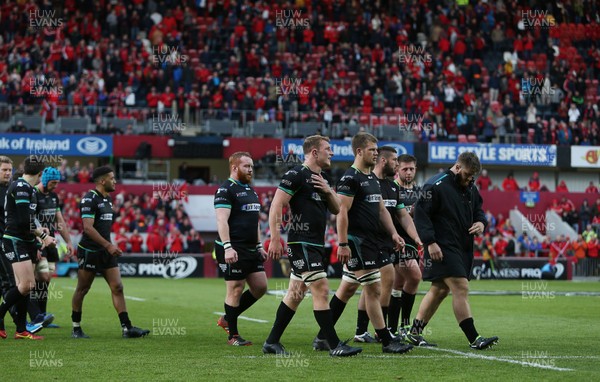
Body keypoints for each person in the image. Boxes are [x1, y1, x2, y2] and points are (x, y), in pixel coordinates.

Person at [262, 135, 362, 357]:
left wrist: (327, 190)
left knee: (295, 294)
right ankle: (333, 344)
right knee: (322, 288)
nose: (332, 153)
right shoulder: (296, 174)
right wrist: (275, 237)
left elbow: (337, 209)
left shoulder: (322, 178)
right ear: (315, 152)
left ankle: (271, 342)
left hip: (316, 243)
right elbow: (277, 205)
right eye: (328, 149)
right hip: (302, 242)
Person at [314, 133, 413, 354]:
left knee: (348, 289)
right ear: (359, 151)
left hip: (373, 242)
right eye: (372, 150)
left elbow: (380, 210)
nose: (376, 153)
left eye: (377, 150)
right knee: (373, 288)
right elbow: (341, 212)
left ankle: (322, 337)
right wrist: (342, 243)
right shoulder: (350, 178)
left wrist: (394, 234)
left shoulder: (371, 179)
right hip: (357, 242)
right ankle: (387, 341)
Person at [406, 151, 499, 350]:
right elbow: (420, 214)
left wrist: (481, 223)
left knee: (439, 289)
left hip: (462, 246)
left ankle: (414, 333)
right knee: (461, 287)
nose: (469, 179)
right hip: (442, 246)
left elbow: (479, 211)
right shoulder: (435, 185)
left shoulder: (470, 187)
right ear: (457, 168)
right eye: (466, 175)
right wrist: (430, 242)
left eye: (473, 176)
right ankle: (474, 338)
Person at [71, 166, 149, 339]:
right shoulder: (89, 199)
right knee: (83, 289)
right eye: (112, 178)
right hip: (89, 251)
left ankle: (127, 328)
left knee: (118, 287)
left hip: (106, 250)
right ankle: (76, 328)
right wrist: (108, 245)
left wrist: (109, 246)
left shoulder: (108, 200)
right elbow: (88, 228)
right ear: (102, 181)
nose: (115, 181)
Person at [214, 152, 267, 346]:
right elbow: (221, 220)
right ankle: (233, 336)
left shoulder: (251, 191)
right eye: (247, 166)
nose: (251, 169)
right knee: (236, 288)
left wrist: (260, 245)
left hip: (251, 248)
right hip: (233, 248)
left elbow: (255, 222)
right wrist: (228, 247)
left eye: (252, 166)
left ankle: (228, 318)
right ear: (235, 168)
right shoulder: (225, 190)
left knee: (260, 287)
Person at [0, 157, 56, 340]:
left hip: (24, 241)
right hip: (15, 240)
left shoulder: (28, 188)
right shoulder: (22, 187)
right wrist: (43, 237)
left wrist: (38, 240)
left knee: (23, 287)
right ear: (40, 174)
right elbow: (25, 221)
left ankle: (21, 329)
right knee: (27, 285)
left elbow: (28, 219)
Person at [29, 167, 74, 329]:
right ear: (46, 179)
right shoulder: (33, 194)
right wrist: (38, 241)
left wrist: (68, 241)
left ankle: (42, 316)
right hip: (37, 243)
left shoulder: (53, 196)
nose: (56, 186)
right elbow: (30, 220)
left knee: (46, 281)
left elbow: (59, 220)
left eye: (57, 182)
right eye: (53, 182)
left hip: (51, 243)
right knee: (39, 278)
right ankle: (33, 316)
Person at [389, 154, 425, 337]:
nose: (409, 172)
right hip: (396, 242)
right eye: (405, 169)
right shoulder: (391, 188)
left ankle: (393, 329)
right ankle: (404, 326)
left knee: (397, 285)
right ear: (397, 169)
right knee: (415, 276)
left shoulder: (420, 192)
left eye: (411, 169)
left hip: (413, 242)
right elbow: (391, 215)